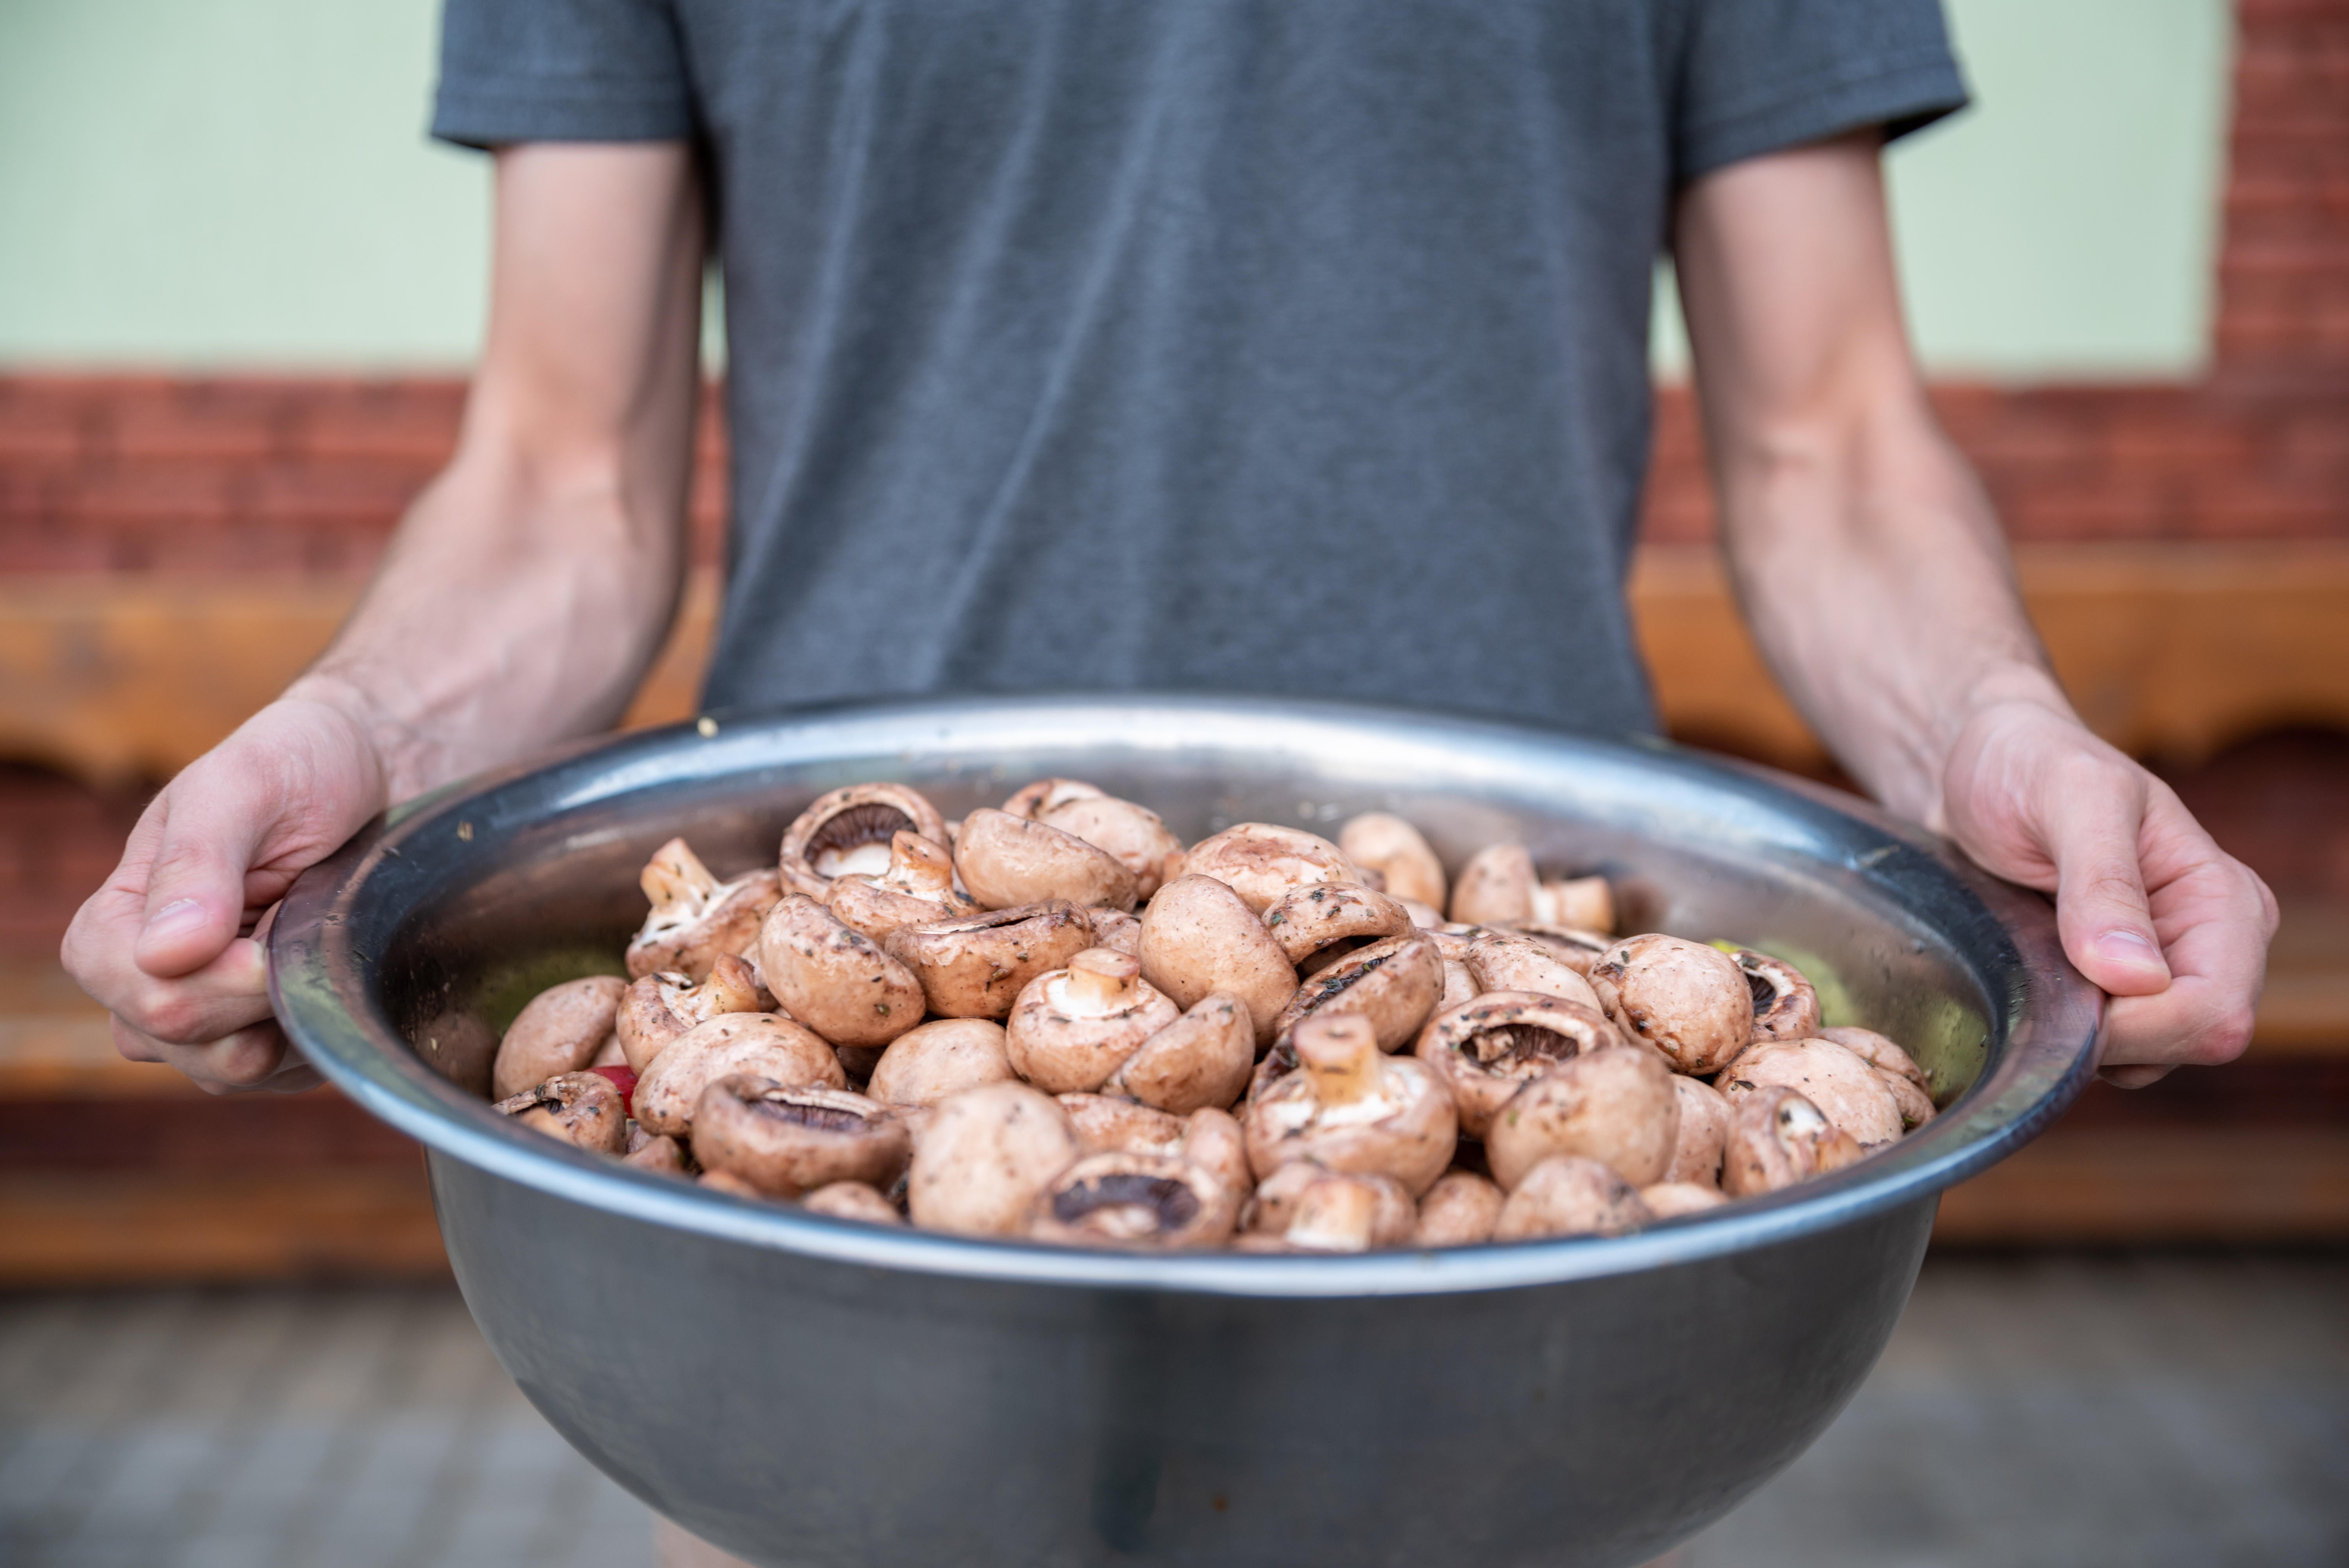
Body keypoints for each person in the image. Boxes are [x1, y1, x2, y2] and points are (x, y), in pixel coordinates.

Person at [68, 2, 2268, 1315]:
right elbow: (566, 479)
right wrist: (354, 731)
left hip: (1515, 1177)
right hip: (830, 1148)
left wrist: (2002, 728)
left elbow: (1827, 441)